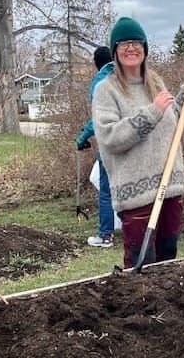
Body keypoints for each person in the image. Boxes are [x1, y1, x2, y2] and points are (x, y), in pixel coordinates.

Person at [92, 17, 184, 268]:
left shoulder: (155, 81)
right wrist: (151, 112)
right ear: (115, 50)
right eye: (124, 43)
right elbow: (110, 138)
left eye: (136, 42)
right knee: (141, 264)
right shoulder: (106, 90)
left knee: (167, 257)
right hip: (136, 195)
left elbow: (172, 120)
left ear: (144, 47)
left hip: (170, 187)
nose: (131, 48)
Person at [75, 46, 116, 248]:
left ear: (96, 63)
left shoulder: (101, 81)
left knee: (107, 190)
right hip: (135, 143)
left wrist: (83, 136)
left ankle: (106, 235)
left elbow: (99, 117)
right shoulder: (128, 76)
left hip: (112, 144)